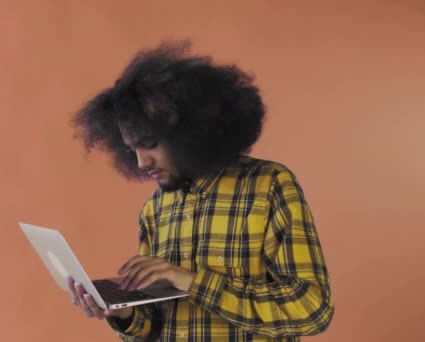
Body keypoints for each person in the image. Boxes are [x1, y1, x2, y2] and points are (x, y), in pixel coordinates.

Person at [69, 40, 334, 341]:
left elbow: (312, 309)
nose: (142, 163)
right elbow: (157, 325)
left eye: (151, 144)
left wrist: (193, 283)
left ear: (190, 131)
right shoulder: (154, 210)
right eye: (133, 149)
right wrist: (123, 314)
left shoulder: (268, 185)